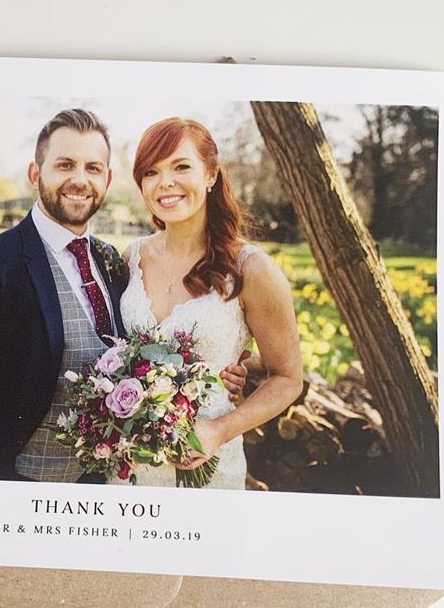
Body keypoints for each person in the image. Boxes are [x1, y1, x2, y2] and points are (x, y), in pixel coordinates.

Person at [0, 109, 250, 482]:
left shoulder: (113, 261)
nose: (79, 180)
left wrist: (221, 370)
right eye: (65, 165)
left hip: (109, 484)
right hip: (21, 483)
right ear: (35, 174)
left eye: (92, 168)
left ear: (107, 178)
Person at [111, 117, 304, 489]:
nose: (165, 182)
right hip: (128, 469)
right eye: (151, 172)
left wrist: (219, 429)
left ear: (211, 174)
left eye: (181, 167)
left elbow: (288, 379)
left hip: (207, 466)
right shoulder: (128, 259)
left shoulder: (252, 269)